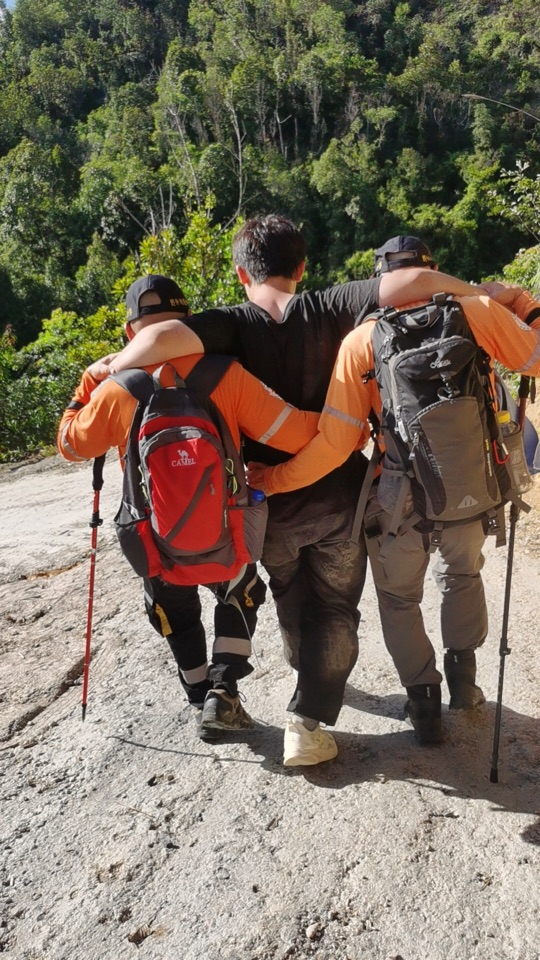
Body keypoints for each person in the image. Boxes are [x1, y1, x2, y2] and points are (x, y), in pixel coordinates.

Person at [84, 216, 493, 766]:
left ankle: (307, 674)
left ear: (238, 272)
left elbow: (158, 339)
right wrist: (480, 293)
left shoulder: (225, 325)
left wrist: (111, 368)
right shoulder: (334, 304)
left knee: (290, 597)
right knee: (337, 609)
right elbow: (419, 282)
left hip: (265, 504)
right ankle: (309, 717)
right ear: (302, 267)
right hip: (338, 498)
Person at [247, 236, 540, 745]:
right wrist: (526, 305)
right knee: (463, 573)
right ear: (433, 270)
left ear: (381, 283)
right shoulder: (475, 312)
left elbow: (336, 445)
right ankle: (465, 684)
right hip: (468, 485)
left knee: (399, 598)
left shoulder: (362, 342)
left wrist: (274, 479)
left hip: (397, 496)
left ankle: (423, 703)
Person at [57, 274, 320, 740]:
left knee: (171, 606)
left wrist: (88, 383)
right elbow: (298, 434)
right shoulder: (225, 374)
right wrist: (345, 418)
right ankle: (223, 694)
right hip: (226, 528)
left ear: (129, 331)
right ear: (188, 322)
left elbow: (70, 445)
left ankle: (199, 695)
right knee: (239, 591)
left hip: (153, 537)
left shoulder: (116, 390)